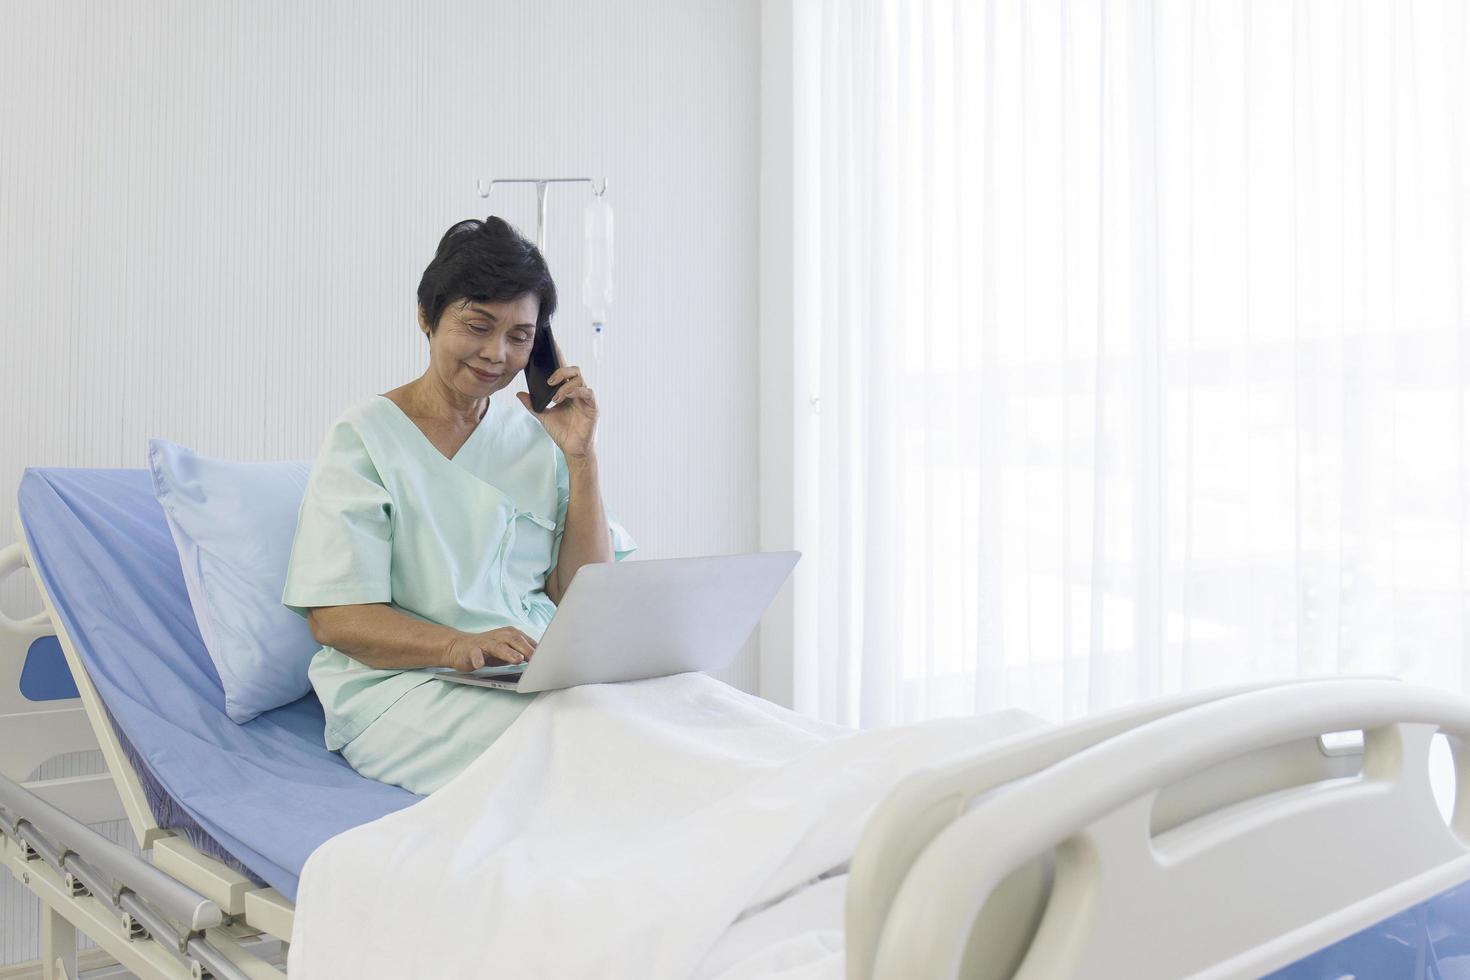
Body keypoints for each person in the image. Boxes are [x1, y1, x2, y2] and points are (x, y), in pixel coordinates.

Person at [281, 216, 637, 795]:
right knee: (586, 753)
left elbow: (582, 594)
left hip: (535, 673)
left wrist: (581, 456)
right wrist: (457, 646)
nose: (496, 354)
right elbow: (335, 616)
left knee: (683, 712)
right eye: (477, 326)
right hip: (406, 686)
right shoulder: (366, 438)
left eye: (520, 337)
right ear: (427, 316)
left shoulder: (540, 436)